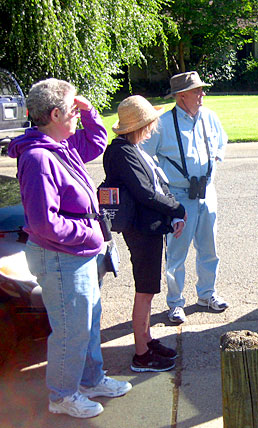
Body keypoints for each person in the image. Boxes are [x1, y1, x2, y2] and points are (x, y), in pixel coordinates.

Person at [7, 78, 131, 418]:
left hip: (77, 254)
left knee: (88, 322)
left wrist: (90, 112)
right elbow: (45, 223)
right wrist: (87, 232)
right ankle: (62, 396)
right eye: (73, 110)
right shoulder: (37, 158)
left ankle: (91, 380)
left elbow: (96, 140)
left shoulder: (60, 146)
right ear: (56, 113)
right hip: (62, 257)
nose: (77, 114)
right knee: (71, 329)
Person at [104, 95, 187, 371]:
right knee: (145, 290)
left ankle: (147, 339)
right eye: (150, 122)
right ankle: (141, 354)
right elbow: (144, 192)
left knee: (148, 289)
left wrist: (171, 212)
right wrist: (177, 209)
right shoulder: (121, 152)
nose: (153, 126)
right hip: (141, 230)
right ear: (141, 125)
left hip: (148, 227)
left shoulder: (131, 148)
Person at [142, 71, 228, 324]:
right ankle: (176, 303)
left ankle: (207, 294)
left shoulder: (209, 117)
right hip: (178, 196)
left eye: (202, 90)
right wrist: (161, 188)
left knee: (209, 248)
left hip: (206, 191)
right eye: (197, 91)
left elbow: (222, 141)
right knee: (176, 253)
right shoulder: (162, 123)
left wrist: (214, 161)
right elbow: (144, 157)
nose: (203, 94)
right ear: (181, 96)